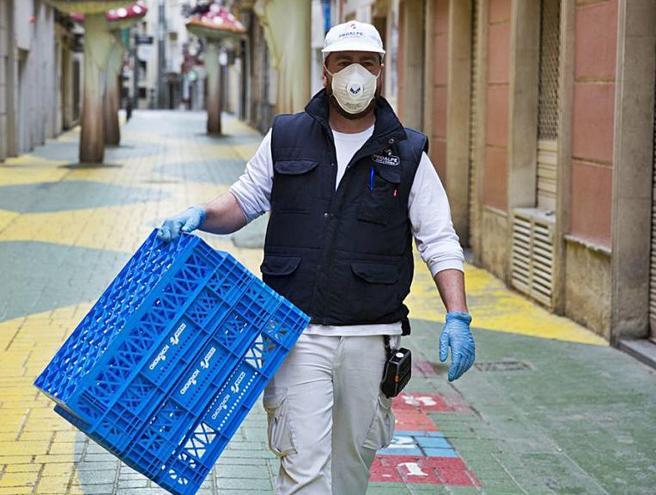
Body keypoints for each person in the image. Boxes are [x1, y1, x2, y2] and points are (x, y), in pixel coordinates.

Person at [157, 21, 475, 495]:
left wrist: (458, 315)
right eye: (344, 61)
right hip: (297, 334)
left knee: (349, 472)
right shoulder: (286, 137)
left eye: (367, 63)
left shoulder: (407, 151)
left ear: (381, 70)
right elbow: (243, 202)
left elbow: (439, 238)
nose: (356, 73)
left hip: (372, 337)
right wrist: (200, 214)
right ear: (325, 70)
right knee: (304, 469)